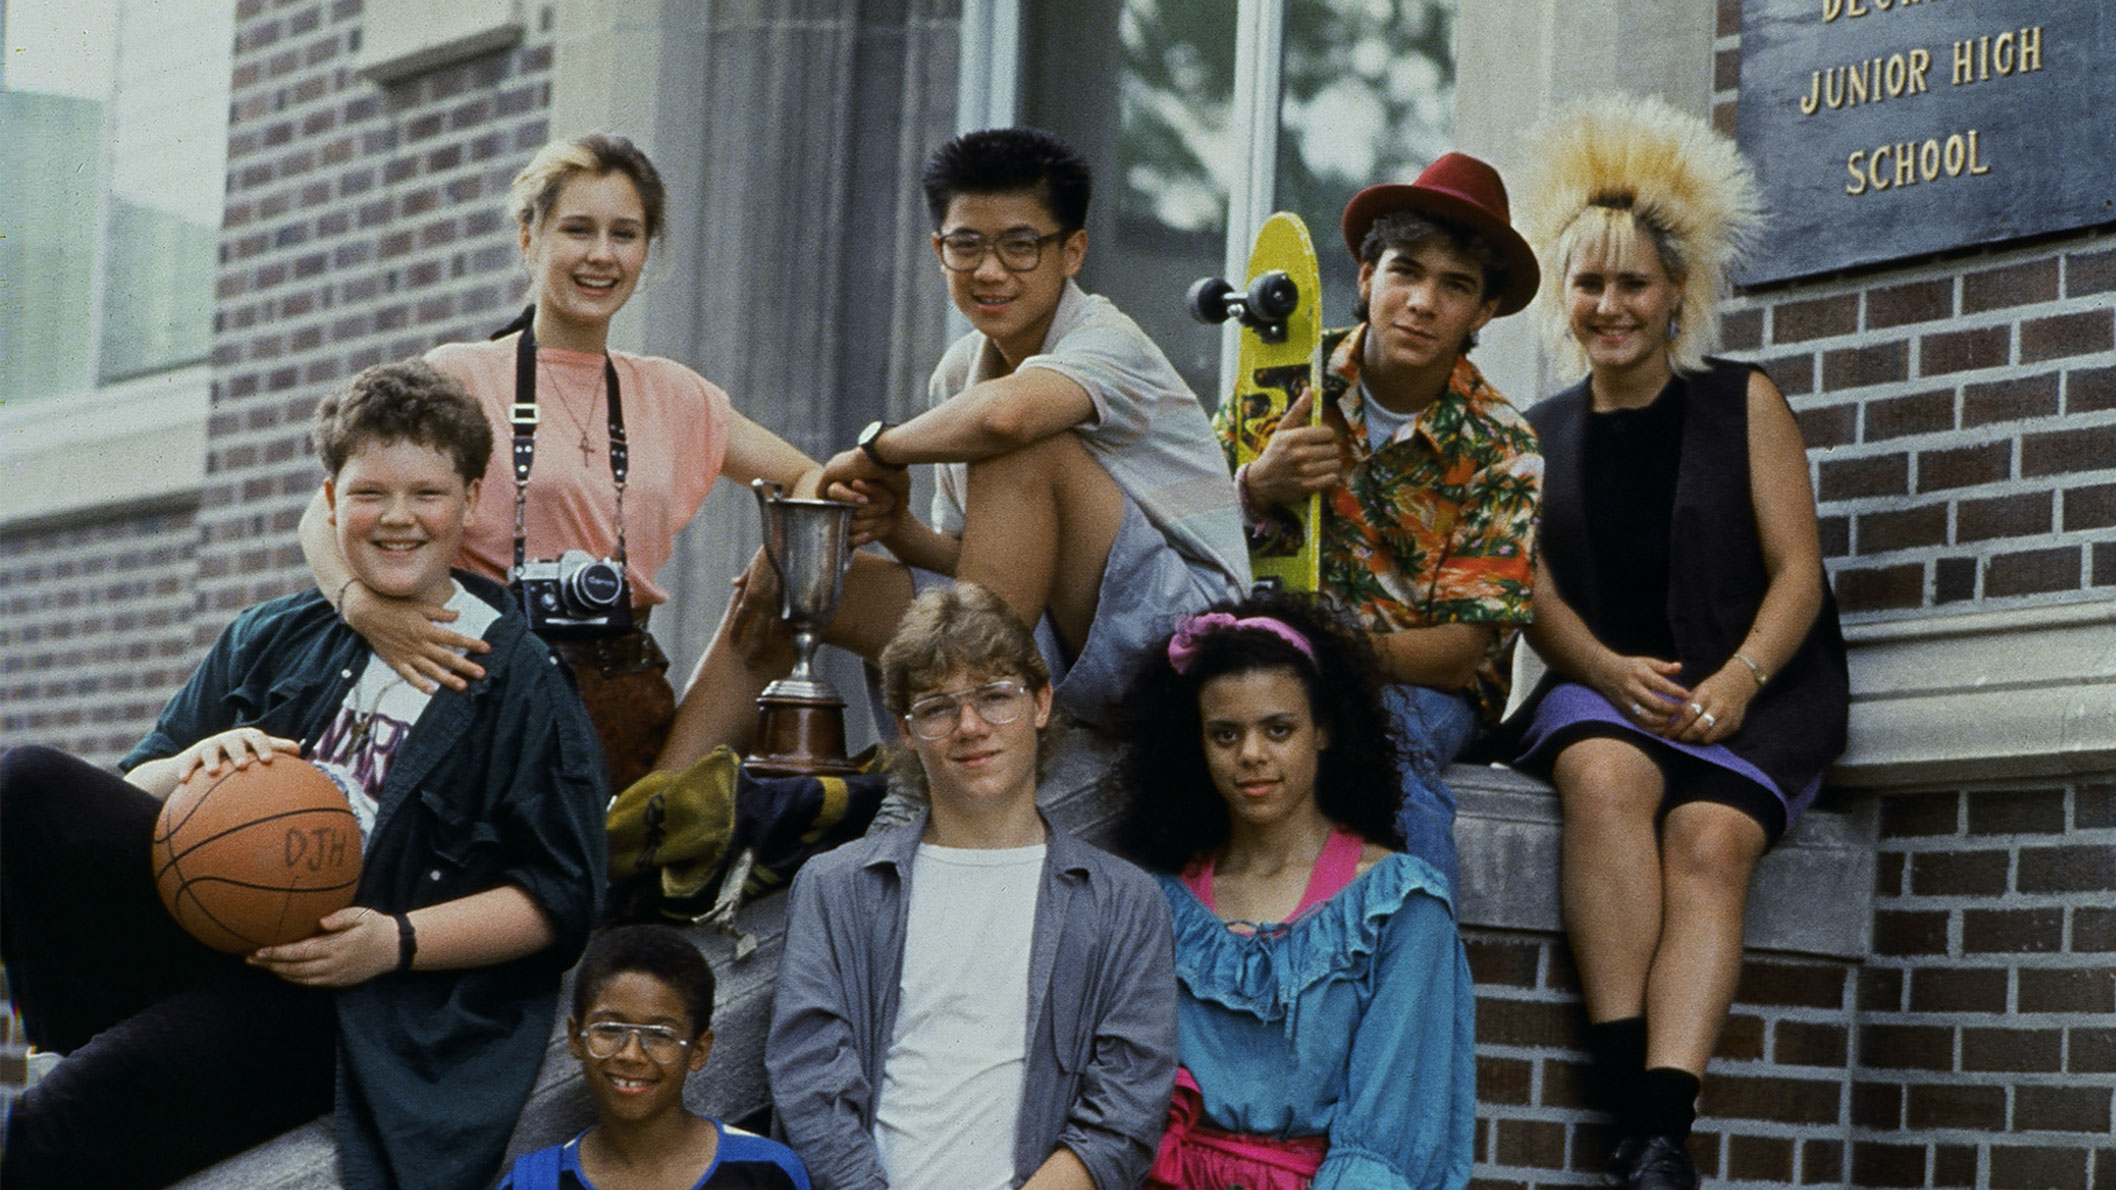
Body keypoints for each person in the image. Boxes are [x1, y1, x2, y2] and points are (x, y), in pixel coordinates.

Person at [0, 361, 608, 1189]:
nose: (397, 518)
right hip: (200, 933)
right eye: (369, 493)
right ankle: (58, 1024)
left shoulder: (519, 680)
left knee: (54, 1126)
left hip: (339, 1000)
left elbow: (563, 894)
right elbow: (123, 795)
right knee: (27, 780)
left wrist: (393, 944)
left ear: (471, 501)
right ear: (330, 501)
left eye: (426, 493)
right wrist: (187, 769)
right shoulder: (275, 634)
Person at [296, 132, 869, 795]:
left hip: (621, 693)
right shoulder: (463, 373)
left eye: (624, 234)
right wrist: (362, 606)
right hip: (474, 674)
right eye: (577, 230)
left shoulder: (674, 394)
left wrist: (776, 561)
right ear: (527, 239)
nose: (601, 255)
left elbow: (809, 481)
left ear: (648, 250)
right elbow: (328, 510)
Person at [657, 127, 1248, 768]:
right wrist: (898, 529)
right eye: (966, 245)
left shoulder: (1107, 341)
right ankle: (648, 819)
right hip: (1056, 637)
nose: (990, 271)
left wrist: (876, 451)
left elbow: (1006, 420)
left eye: (1021, 246)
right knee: (797, 581)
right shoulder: (961, 371)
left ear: (1071, 251)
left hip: (1189, 641)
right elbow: (986, 572)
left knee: (1023, 444)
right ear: (939, 250)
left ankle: (951, 757)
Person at [1508, 94, 1849, 1190]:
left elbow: (1798, 570)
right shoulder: (1534, 437)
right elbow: (1531, 593)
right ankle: (1630, 1095)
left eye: (1633, 283)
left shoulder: (1741, 401)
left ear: (1675, 295)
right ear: (1564, 295)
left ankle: (1661, 1127)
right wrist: (1605, 672)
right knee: (1604, 775)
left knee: (1709, 840)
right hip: (1602, 685)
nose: (1609, 304)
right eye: (1589, 281)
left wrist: (1742, 679)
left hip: (1752, 683)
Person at [765, 583, 1178, 1190]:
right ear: (906, 731)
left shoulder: (1123, 900)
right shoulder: (838, 887)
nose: (969, 726)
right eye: (937, 708)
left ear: (1041, 703)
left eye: (995, 697)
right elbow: (809, 1081)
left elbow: (1127, 1104)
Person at [1213, 152, 1542, 892]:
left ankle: (1416, 975)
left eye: (1455, 286)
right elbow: (1172, 525)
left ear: (1483, 311)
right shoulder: (1282, 375)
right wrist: (1256, 487)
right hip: (1262, 657)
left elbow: (1460, 653)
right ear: (1366, 278)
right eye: (1406, 271)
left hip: (1421, 690)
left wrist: (1327, 655)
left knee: (1383, 737)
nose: (1423, 301)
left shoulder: (1503, 446)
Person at [1116, 595, 1474, 1190]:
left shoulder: (1399, 905)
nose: (1252, 754)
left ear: (1324, 730)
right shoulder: (1160, 902)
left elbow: (1391, 1133)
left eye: (1278, 729)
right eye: (1225, 734)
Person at [500, 925, 810, 1189]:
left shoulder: (764, 1172)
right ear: (575, 1038)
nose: (631, 1054)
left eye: (660, 1035)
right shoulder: (534, 1183)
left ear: (699, 1050)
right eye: (609, 1029)